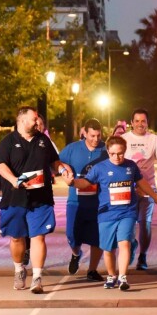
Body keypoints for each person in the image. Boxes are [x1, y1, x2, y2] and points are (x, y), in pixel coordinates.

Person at [71, 136, 157, 291]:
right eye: (113, 153)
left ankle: (122, 276)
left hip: (127, 212)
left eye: (120, 153)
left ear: (124, 151)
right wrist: (71, 182)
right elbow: (85, 183)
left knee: (124, 243)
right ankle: (112, 275)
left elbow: (141, 182)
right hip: (106, 214)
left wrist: (155, 196)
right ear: (108, 151)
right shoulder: (99, 168)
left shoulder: (131, 166)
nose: (117, 157)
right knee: (108, 249)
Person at [0, 106, 63, 294]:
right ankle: (19, 269)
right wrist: (13, 180)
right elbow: (1, 166)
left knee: (38, 236)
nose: (37, 122)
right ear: (22, 120)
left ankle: (37, 277)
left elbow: (54, 162)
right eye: (34, 119)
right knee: (17, 238)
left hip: (41, 198)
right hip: (15, 198)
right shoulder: (8, 142)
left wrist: (64, 170)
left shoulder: (43, 140)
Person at [58, 118, 107, 282]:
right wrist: (65, 170)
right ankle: (75, 254)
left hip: (99, 202)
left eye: (98, 136)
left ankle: (92, 270)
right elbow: (57, 162)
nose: (95, 139)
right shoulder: (72, 149)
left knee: (97, 237)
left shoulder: (105, 150)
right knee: (72, 235)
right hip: (75, 201)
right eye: (92, 135)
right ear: (84, 133)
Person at [121, 108, 157, 270]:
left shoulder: (153, 139)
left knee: (145, 224)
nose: (140, 124)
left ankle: (143, 256)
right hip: (127, 190)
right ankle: (131, 245)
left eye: (143, 121)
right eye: (137, 121)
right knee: (128, 224)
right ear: (131, 123)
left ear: (147, 123)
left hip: (148, 189)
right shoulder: (123, 139)